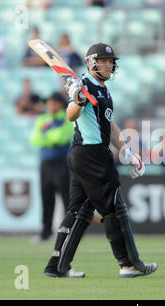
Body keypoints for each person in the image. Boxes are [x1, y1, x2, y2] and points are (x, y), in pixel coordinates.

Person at [43, 43, 157, 278]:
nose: (108, 65)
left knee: (79, 211)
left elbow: (110, 124)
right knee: (115, 209)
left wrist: (125, 149)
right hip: (91, 154)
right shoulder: (83, 86)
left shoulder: (102, 90)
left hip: (84, 154)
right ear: (91, 63)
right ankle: (129, 263)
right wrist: (77, 100)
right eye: (103, 60)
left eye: (110, 61)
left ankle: (57, 265)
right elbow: (70, 115)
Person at [30, 92, 73, 243]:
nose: (50, 106)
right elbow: (34, 139)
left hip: (61, 163)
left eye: (53, 103)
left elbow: (61, 138)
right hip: (45, 164)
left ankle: (71, 231)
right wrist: (49, 137)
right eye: (49, 103)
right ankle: (46, 232)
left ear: (60, 104)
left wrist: (45, 136)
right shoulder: (43, 119)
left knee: (67, 199)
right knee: (46, 199)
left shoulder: (67, 118)